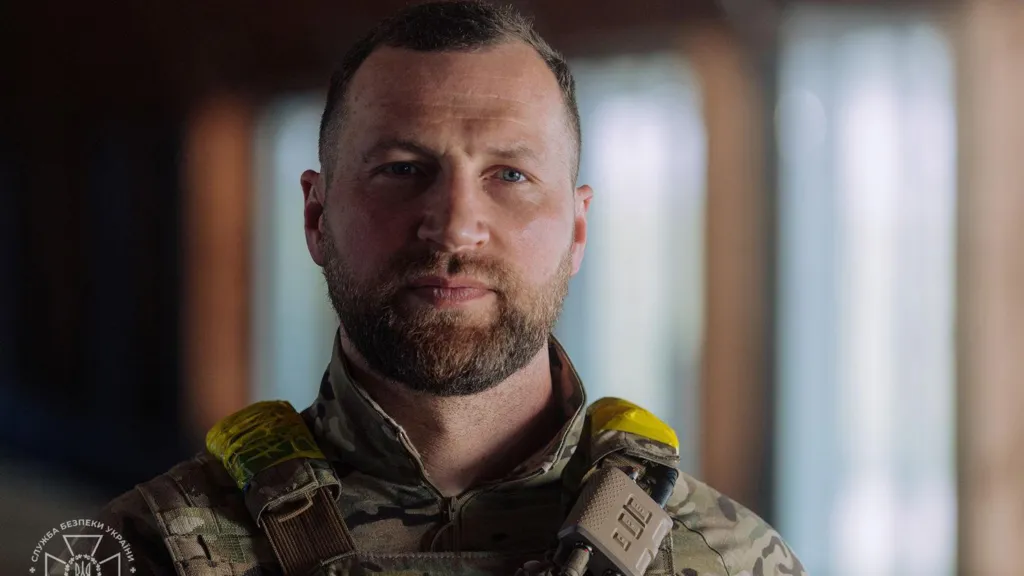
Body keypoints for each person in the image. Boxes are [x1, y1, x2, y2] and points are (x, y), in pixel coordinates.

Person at [95, 2, 806, 575]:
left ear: (578, 229)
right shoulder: (145, 551)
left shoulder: (733, 559)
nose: (456, 227)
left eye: (510, 175)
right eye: (403, 169)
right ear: (316, 216)